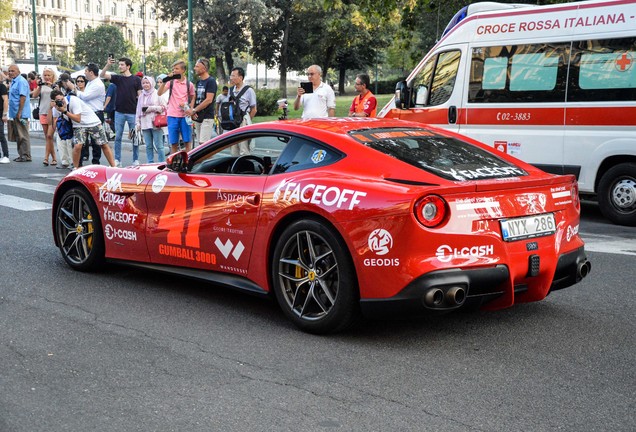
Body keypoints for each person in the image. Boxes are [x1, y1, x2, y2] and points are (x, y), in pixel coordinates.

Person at [50, 89, 116, 168]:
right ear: (54, 102)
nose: (61, 102)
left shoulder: (73, 100)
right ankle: (75, 168)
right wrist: (50, 109)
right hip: (78, 126)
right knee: (77, 146)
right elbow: (54, 125)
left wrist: (65, 111)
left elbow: (78, 118)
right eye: (58, 101)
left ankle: (113, 166)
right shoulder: (55, 108)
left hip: (92, 122)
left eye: (62, 99)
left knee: (103, 144)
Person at [100, 57, 142, 167]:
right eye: (119, 64)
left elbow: (140, 96)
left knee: (135, 137)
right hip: (119, 112)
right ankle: (117, 159)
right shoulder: (118, 78)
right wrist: (108, 64)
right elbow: (102, 75)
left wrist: (140, 113)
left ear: (128, 66)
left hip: (133, 113)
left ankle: (136, 159)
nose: (120, 66)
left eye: (122, 65)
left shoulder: (136, 80)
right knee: (118, 137)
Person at [68, 63, 106, 165]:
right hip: (87, 113)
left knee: (96, 142)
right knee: (81, 141)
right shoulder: (90, 82)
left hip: (96, 113)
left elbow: (85, 97)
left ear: (91, 72)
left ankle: (95, 163)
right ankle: (78, 163)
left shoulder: (98, 84)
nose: (84, 73)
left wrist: (74, 88)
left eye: (86, 71)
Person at [157, 60, 195, 153]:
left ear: (183, 70)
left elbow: (193, 96)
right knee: (173, 142)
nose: (174, 71)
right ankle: (173, 162)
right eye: (173, 69)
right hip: (172, 115)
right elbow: (159, 93)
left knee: (187, 141)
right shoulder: (171, 82)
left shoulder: (189, 84)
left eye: (177, 69)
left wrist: (190, 108)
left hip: (185, 116)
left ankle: (187, 161)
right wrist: (165, 81)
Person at [135, 75, 166, 164]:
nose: (145, 85)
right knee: (148, 146)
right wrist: (137, 122)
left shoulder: (157, 93)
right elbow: (138, 110)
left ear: (151, 83)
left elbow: (163, 107)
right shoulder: (141, 96)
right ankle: (150, 163)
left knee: (159, 146)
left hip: (156, 123)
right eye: (143, 83)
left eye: (147, 82)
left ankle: (162, 163)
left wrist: (151, 108)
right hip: (145, 123)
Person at [31, 67, 59, 165]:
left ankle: (46, 158)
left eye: (49, 75)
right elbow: (34, 96)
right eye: (45, 75)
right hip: (42, 112)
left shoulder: (56, 85)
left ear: (52, 76)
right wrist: (39, 86)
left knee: (49, 135)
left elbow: (59, 95)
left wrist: (53, 87)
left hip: (53, 112)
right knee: (47, 137)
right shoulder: (41, 85)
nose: (47, 77)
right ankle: (54, 158)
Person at [187, 58, 217, 146]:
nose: (194, 68)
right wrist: (192, 110)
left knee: (203, 144)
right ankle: (203, 160)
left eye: (197, 66)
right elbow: (194, 97)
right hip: (198, 116)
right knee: (200, 145)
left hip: (207, 116)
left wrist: (194, 110)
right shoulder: (199, 82)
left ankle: (208, 160)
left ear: (204, 68)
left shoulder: (211, 81)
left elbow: (208, 100)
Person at [228, 67, 257, 156]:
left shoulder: (249, 90)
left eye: (233, 76)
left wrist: (247, 120)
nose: (231, 78)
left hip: (244, 120)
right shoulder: (231, 90)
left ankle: (245, 167)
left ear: (241, 77)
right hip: (233, 122)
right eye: (231, 76)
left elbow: (254, 109)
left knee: (244, 148)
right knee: (233, 148)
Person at [7, 64, 32, 162]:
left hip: (20, 113)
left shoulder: (21, 81)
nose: (10, 72)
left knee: (23, 134)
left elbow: (23, 97)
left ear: (18, 71)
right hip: (15, 112)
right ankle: (21, 154)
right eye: (9, 71)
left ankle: (26, 155)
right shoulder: (14, 81)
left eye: (12, 71)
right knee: (18, 134)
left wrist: (20, 111)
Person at [0, 70, 11, 163]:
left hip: (0, 114)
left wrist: (4, 114)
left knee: (1, 135)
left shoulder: (2, 86)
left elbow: (6, 101)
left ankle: (6, 155)